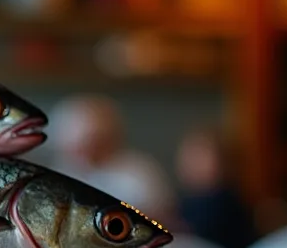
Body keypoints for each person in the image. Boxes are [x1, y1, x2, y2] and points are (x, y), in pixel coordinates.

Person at [30, 95, 178, 224]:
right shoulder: (57, 172)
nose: (81, 151)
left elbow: (160, 219)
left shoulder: (138, 172)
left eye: (94, 140)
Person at [174, 127, 257, 248]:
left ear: (225, 161)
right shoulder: (187, 199)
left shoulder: (224, 200)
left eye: (200, 156)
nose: (192, 164)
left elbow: (194, 229)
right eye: (188, 156)